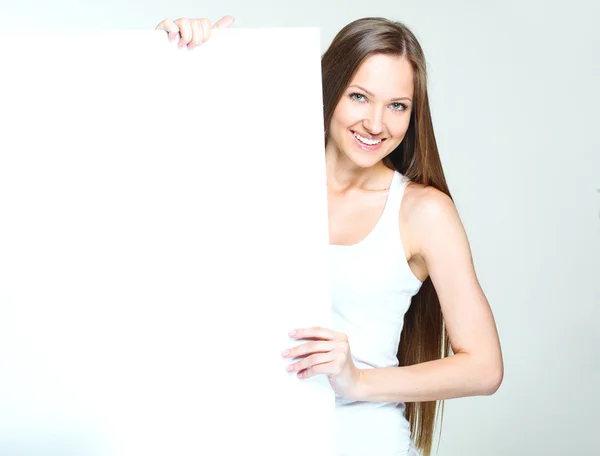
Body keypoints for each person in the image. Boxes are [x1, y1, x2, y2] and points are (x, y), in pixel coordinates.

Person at [155, 15, 504, 456]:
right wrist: (181, 57)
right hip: (248, 436)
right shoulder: (259, 178)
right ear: (330, 87)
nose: (376, 124)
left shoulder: (423, 212)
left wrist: (357, 378)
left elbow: (485, 367)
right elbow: (155, 186)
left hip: (364, 442)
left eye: (397, 106)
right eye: (359, 96)